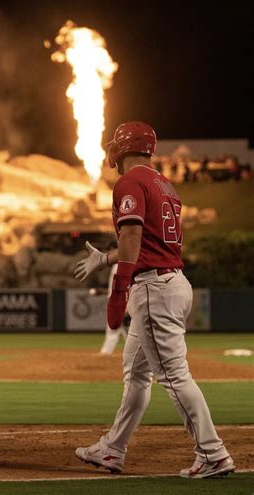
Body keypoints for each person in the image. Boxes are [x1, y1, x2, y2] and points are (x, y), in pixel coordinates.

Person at [73, 122, 235, 479]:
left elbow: (132, 233)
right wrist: (107, 258)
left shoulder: (129, 182)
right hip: (170, 280)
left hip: (153, 287)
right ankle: (113, 449)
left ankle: (213, 453)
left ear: (122, 148)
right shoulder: (165, 184)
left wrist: (120, 285)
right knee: (136, 375)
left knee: (174, 376)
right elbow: (151, 241)